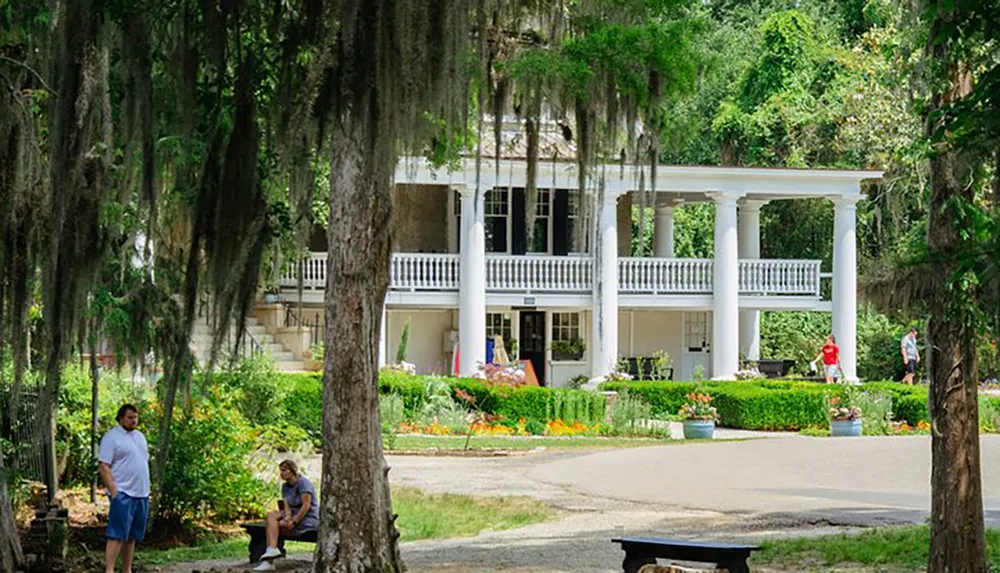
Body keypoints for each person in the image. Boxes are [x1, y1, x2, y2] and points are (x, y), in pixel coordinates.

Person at [99, 404, 150, 573]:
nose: (133, 420)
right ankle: (110, 570)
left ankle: (126, 569)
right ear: (121, 418)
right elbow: (104, 466)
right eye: (130, 417)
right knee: (117, 534)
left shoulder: (140, 436)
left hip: (141, 493)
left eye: (135, 417)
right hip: (123, 493)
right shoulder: (112, 437)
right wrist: (115, 492)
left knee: (132, 536)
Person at [256, 460, 320, 571]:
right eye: (281, 471)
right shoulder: (285, 487)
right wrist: (288, 517)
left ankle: (269, 561)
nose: (282, 473)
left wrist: (294, 521)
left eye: (284, 470)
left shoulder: (304, 483)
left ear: (292, 471)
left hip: (307, 519)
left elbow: (306, 506)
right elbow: (287, 507)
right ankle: (271, 551)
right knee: (271, 516)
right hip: (293, 516)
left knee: (274, 526)